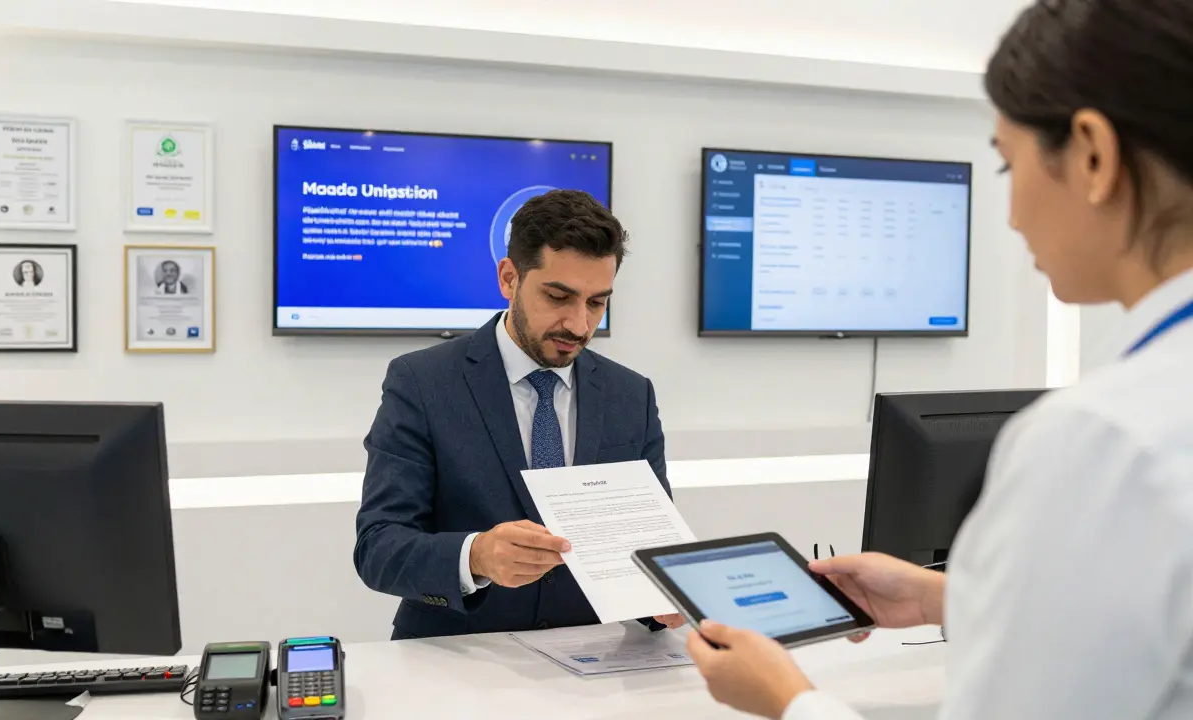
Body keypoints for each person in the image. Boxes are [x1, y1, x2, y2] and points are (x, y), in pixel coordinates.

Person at [686, 1, 1193, 718]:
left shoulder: (1101, 440)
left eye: (1008, 164)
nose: (1011, 215)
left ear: (1092, 155)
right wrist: (949, 598)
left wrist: (788, 699)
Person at [354, 190, 683, 639]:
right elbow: (378, 547)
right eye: (559, 296)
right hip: (456, 655)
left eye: (596, 303)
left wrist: (662, 595)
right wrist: (476, 556)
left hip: (589, 657)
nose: (579, 325)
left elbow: (647, 546)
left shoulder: (631, 394)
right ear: (509, 278)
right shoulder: (422, 382)